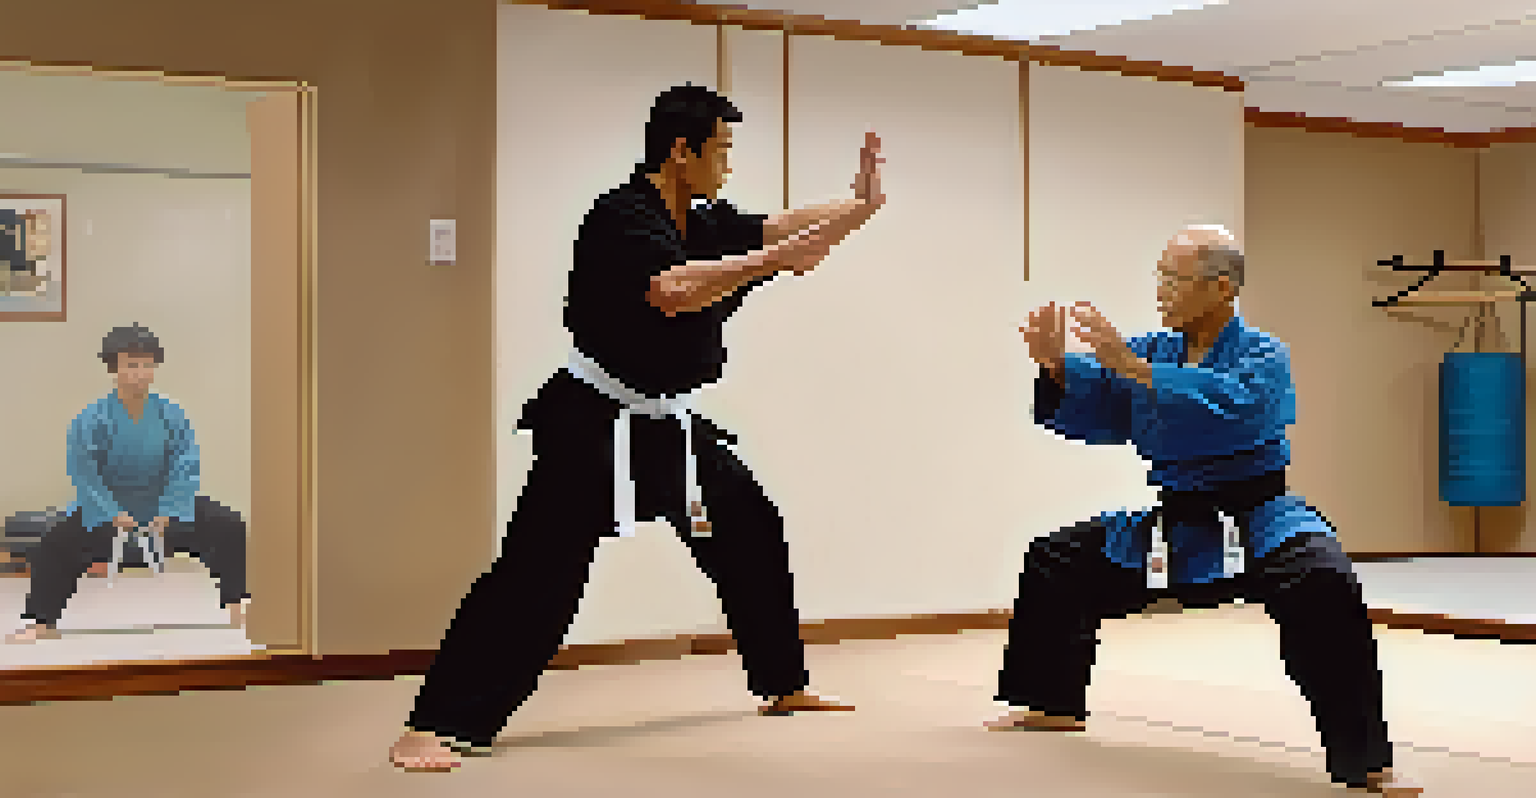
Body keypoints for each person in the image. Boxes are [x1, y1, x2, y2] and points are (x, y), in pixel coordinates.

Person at [389, 84, 886, 771]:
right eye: (723, 151)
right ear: (681, 151)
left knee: (750, 527)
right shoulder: (620, 216)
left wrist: (859, 206)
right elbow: (674, 290)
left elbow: (780, 229)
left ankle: (785, 683)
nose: (728, 166)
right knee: (537, 574)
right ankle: (433, 724)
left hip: (667, 427)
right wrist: (775, 261)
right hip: (591, 423)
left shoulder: (699, 217)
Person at [986, 226, 1422, 796]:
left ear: (1222, 288)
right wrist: (1054, 367)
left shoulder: (1264, 353)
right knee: (1056, 559)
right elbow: (1106, 398)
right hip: (1179, 520)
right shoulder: (1151, 349)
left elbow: (1239, 408)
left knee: (1324, 583)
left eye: (1174, 278)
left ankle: (1366, 760)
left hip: (1260, 515)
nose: (1161, 291)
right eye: (1160, 277)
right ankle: (1050, 703)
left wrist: (1135, 369)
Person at [5, 324, 252, 644]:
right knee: (55, 543)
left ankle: (237, 603)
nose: (141, 373)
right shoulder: (91, 417)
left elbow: (185, 463)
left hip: (163, 507)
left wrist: (170, 509)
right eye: (132, 365)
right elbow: (84, 473)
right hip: (108, 508)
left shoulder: (172, 414)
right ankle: (39, 621)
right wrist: (110, 512)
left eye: (147, 364)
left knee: (230, 526)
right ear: (114, 368)